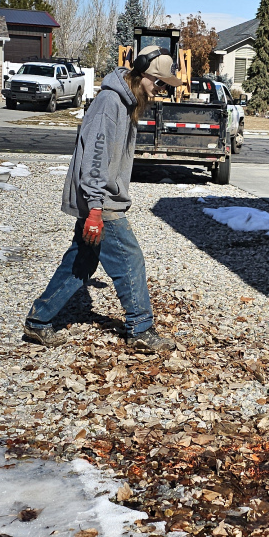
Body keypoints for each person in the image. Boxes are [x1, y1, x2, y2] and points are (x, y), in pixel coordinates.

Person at [21, 46, 181, 353]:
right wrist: (95, 208)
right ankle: (141, 328)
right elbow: (94, 157)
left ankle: (39, 321)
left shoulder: (126, 101)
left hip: (100, 199)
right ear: (142, 72)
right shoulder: (110, 102)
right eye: (158, 83)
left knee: (81, 261)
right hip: (102, 201)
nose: (160, 90)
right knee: (129, 258)